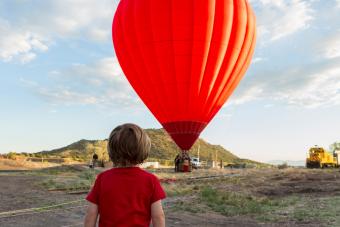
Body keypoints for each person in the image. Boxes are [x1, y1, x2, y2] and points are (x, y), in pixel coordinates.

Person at [84, 123, 166, 227]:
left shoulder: (102, 178)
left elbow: (91, 214)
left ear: (111, 150)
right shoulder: (151, 180)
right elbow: (158, 216)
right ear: (143, 150)